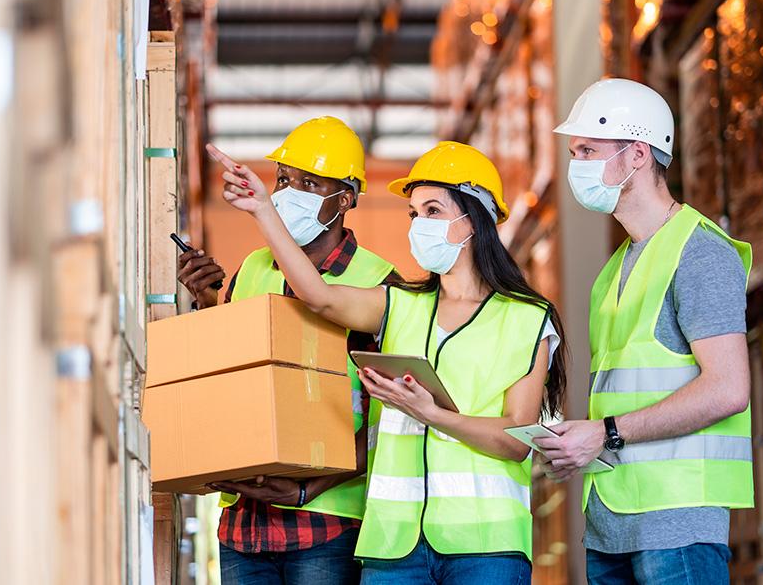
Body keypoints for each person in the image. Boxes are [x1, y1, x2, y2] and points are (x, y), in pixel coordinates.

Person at [208, 139, 568, 585]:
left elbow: (517, 439)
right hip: (392, 547)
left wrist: (431, 414)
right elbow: (318, 296)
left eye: (433, 211)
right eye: (414, 214)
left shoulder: (528, 318)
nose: (419, 225)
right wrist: (263, 210)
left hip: (485, 545)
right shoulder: (398, 304)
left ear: (474, 218)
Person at [536, 78, 754, 584]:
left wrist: (606, 434)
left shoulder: (699, 254)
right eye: (574, 152)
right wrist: (577, 442)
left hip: (677, 525)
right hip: (610, 525)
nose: (577, 165)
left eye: (588, 150)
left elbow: (728, 389)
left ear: (637, 154)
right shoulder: (612, 273)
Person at [178, 116, 396, 585]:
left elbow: (391, 417)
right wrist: (207, 302)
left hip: (328, 520)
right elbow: (231, 373)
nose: (289, 191)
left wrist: (304, 487)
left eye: (309, 182)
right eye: (284, 180)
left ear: (345, 199)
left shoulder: (380, 282)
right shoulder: (252, 267)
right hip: (244, 524)